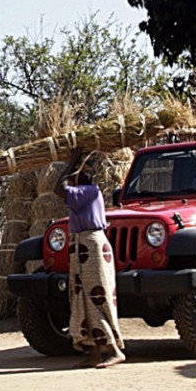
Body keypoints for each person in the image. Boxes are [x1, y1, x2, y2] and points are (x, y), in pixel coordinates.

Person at [62, 153, 126, 367]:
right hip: (82, 246)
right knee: (83, 299)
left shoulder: (89, 192)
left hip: (91, 246)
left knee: (97, 298)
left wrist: (69, 165)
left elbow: (58, 190)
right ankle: (95, 353)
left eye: (74, 177)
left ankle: (114, 349)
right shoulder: (85, 192)